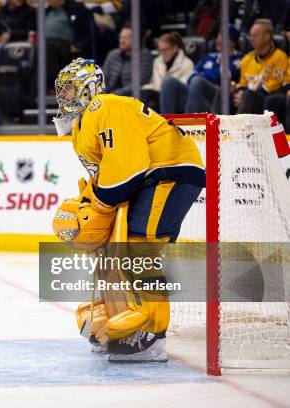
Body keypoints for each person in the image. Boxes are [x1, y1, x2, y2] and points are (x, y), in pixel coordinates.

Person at [52, 58, 204, 361]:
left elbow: (127, 170)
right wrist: (93, 202)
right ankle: (120, 321)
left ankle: (151, 336)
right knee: (116, 252)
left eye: (70, 90)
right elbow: (107, 176)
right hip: (152, 177)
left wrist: (99, 205)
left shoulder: (103, 107)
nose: (64, 97)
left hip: (170, 170)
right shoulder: (79, 127)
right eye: (62, 91)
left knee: (139, 249)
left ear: (88, 88)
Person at [233, 19, 288, 115]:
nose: (251, 39)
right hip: (246, 97)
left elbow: (275, 83)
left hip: (264, 99)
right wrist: (239, 93)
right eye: (250, 35)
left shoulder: (280, 57)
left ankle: (236, 128)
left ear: (267, 37)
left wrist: (245, 94)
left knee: (248, 95)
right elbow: (242, 83)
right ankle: (214, 127)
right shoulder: (247, 58)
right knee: (224, 93)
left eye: (255, 35)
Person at [45, 0, 95, 90]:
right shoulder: (47, 11)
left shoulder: (76, 8)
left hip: (69, 46)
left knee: (48, 48)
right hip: (46, 44)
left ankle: (54, 86)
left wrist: (79, 45)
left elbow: (89, 30)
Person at [144, 31, 194, 114]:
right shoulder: (157, 61)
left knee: (168, 82)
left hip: (180, 100)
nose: (162, 54)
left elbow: (184, 86)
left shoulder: (187, 63)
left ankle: (166, 122)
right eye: (160, 50)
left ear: (174, 49)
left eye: (165, 50)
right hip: (160, 96)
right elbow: (156, 84)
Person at [102, 24, 153, 96]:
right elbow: (103, 77)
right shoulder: (113, 54)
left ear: (136, 39)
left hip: (131, 97)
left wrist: (118, 93)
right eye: (121, 37)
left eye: (126, 38)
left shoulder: (144, 55)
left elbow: (141, 81)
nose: (121, 41)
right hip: (109, 96)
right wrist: (103, 92)